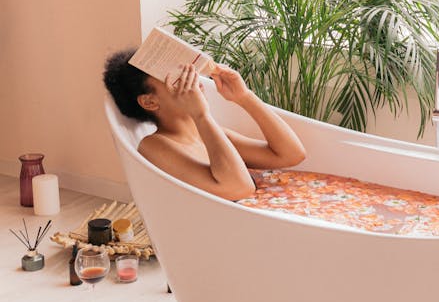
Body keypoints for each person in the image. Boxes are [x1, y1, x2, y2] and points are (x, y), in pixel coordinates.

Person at [103, 50, 305, 201]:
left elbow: (291, 154)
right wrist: (200, 115)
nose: (190, 76)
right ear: (149, 102)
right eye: (173, 76)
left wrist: (244, 97)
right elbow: (239, 187)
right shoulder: (154, 145)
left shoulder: (207, 135)